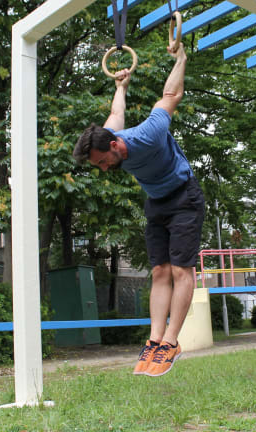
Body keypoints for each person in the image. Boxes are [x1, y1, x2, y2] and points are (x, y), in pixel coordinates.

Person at [72, 43, 204, 377]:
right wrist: (121, 86)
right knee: (159, 271)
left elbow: (170, 95)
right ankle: (155, 340)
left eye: (103, 162)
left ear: (115, 146)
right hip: (157, 202)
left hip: (184, 196)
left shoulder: (150, 132)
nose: (103, 168)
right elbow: (116, 115)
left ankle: (172, 341)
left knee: (179, 271)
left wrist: (181, 59)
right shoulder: (110, 135)